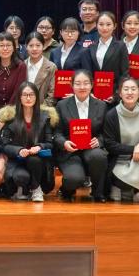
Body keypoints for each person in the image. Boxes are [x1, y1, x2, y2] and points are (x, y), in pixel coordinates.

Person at [103, 77, 139, 203]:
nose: (130, 92)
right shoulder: (111, 115)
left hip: (138, 161)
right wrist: (134, 149)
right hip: (118, 161)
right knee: (121, 183)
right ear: (120, 93)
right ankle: (119, 186)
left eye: (133, 89)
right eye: (126, 89)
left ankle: (137, 192)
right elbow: (109, 144)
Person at [54, 70, 109, 202]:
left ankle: (98, 193)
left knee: (99, 156)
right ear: (72, 85)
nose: (82, 87)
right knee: (74, 179)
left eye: (86, 83)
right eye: (78, 83)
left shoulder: (101, 105)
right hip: (70, 152)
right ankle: (66, 190)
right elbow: (57, 132)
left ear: (92, 85)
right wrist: (64, 143)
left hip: (91, 149)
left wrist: (99, 140)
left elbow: (106, 132)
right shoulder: (62, 105)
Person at [0, 82, 57, 202]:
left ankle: (36, 188)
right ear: (20, 97)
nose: (28, 98)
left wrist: (40, 147)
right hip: (18, 160)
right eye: (25, 95)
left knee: (34, 159)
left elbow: (50, 143)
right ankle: (25, 188)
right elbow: (4, 144)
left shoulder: (45, 117)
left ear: (36, 97)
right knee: (20, 177)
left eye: (31, 95)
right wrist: (19, 150)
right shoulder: (10, 116)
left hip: (39, 161)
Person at [86, 11, 129, 104]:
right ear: (96, 25)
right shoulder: (91, 47)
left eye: (108, 24)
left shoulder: (121, 46)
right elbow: (88, 73)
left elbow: (124, 74)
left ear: (114, 26)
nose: (104, 28)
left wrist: (116, 95)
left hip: (113, 96)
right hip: (94, 96)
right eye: (101, 24)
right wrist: (90, 92)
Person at [0, 32, 27, 111]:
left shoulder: (21, 66)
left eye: (8, 45)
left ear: (13, 48)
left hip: (14, 110)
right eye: (1, 45)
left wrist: (6, 113)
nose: (5, 48)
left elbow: (18, 92)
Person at [22, 32, 56, 107]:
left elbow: (52, 94)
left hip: (43, 110)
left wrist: (39, 110)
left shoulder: (51, 67)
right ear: (26, 47)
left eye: (38, 45)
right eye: (31, 46)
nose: (34, 49)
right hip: (23, 109)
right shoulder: (21, 66)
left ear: (43, 46)